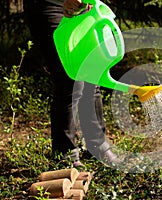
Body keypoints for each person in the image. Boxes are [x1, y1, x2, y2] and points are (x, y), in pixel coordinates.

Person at [23, 0, 120, 167]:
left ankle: (98, 146)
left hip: (82, 5)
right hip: (49, 4)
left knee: (91, 74)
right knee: (69, 78)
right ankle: (65, 153)